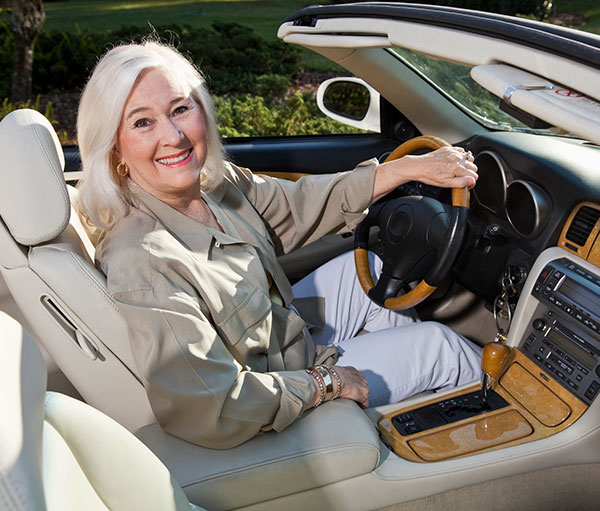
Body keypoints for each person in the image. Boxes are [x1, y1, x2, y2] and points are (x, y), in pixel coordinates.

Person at [76, 40, 482, 449]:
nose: (174, 136)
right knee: (442, 348)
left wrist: (402, 169)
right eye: (142, 123)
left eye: (180, 109)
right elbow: (212, 406)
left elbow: (301, 203)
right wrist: (324, 383)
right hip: (268, 384)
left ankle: (398, 424)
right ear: (115, 150)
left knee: (370, 271)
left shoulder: (215, 188)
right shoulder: (144, 262)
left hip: (279, 339)